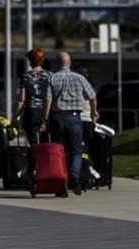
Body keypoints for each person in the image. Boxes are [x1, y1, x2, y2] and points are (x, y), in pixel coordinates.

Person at [44, 51, 99, 195]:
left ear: (56, 64)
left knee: (59, 151)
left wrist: (45, 119)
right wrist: (94, 111)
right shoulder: (79, 78)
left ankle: (61, 182)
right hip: (74, 117)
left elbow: (48, 101)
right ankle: (74, 174)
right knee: (76, 150)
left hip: (57, 118)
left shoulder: (52, 78)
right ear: (70, 63)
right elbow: (92, 96)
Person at [14, 47, 52, 143]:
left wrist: (15, 118)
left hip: (31, 113)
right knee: (46, 144)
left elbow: (21, 100)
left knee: (34, 144)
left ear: (30, 61)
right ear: (42, 60)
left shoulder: (26, 76)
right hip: (47, 111)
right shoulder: (50, 75)